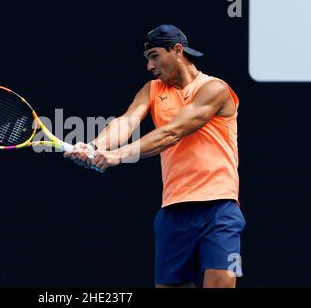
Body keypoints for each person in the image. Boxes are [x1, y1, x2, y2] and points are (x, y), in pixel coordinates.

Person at [63, 24, 245, 288]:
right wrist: (95, 146)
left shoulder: (215, 89)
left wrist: (118, 156)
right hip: (172, 212)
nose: (150, 66)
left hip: (218, 211)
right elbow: (126, 122)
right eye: (148, 58)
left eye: (155, 56)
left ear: (177, 51)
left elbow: (172, 132)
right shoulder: (152, 90)